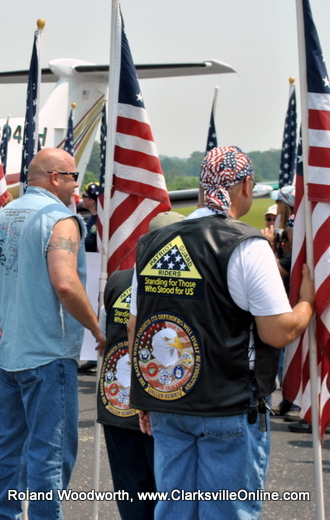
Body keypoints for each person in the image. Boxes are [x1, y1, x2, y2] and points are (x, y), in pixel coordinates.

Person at [128, 146, 315, 519]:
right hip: (228, 405)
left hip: (168, 400)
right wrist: (306, 303)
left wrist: (144, 394)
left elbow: (137, 325)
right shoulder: (246, 244)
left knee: (174, 510)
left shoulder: (153, 243)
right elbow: (278, 332)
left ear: (201, 186)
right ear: (245, 186)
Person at [0, 148, 105, 520]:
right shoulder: (61, 219)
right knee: (50, 452)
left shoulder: (2, 214)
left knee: (6, 445)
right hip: (48, 352)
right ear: (55, 177)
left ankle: (1, 515)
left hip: (5, 350)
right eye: (73, 177)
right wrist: (96, 329)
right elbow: (65, 283)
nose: (77, 185)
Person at [95, 212, 183, 520]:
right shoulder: (182, 285)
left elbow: (103, 335)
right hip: (161, 401)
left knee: (130, 493)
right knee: (167, 495)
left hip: (117, 402)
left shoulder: (118, 281)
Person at [81, 181, 101, 253]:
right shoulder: (92, 217)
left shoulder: (101, 221)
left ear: (92, 200)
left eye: (83, 196)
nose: (82, 198)